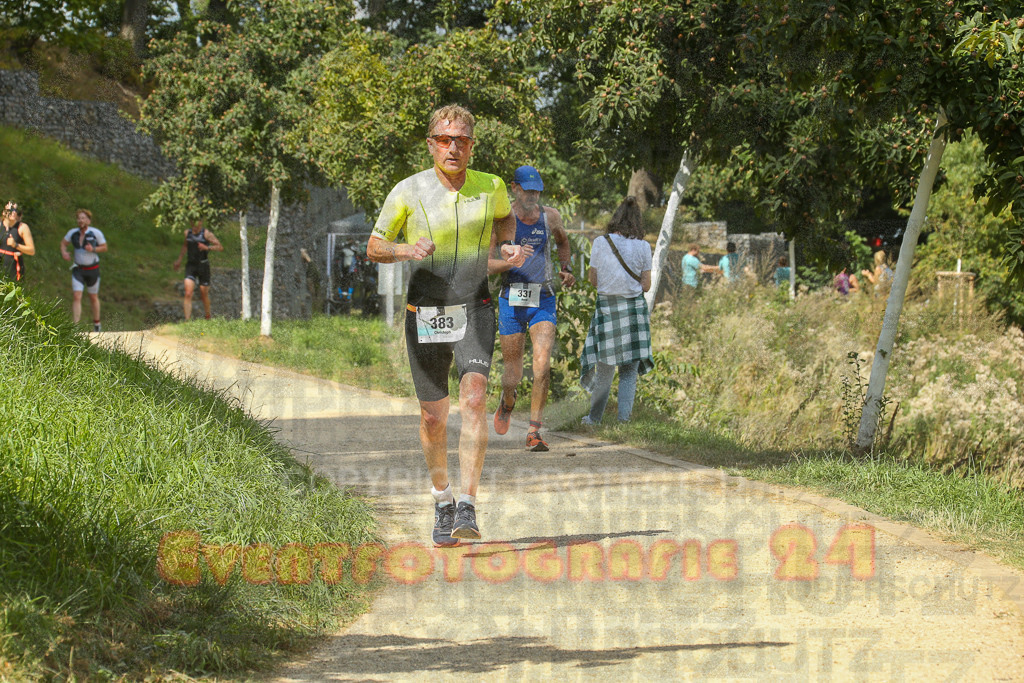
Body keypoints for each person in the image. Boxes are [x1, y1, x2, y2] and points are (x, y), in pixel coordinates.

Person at [366, 104, 526, 547]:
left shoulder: (491, 186)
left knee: (474, 397)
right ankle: (442, 501)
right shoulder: (407, 190)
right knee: (433, 417)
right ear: (431, 143)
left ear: (472, 145)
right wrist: (405, 251)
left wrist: (509, 244)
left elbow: (505, 218)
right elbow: (374, 246)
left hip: (474, 306)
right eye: (444, 139)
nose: (453, 147)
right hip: (426, 311)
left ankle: (468, 505)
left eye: (462, 140)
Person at [492, 165, 575, 452]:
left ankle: (534, 432)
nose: (533, 196)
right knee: (512, 373)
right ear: (514, 188)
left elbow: (563, 241)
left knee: (541, 367)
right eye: (528, 190)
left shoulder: (550, 216)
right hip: (511, 298)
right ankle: (508, 401)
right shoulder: (504, 219)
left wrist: (565, 268)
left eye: (537, 191)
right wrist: (510, 261)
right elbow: (489, 261)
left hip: (543, 298)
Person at [579, 196, 654, 425]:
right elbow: (646, 285)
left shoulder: (601, 243)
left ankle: (594, 419)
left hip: (608, 309)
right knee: (629, 372)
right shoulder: (643, 247)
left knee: (605, 369)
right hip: (633, 311)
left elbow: (593, 278)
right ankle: (624, 422)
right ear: (637, 222)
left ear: (615, 219)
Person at [61, 209, 107, 331]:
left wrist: (93, 249)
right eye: (79, 218)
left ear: (88, 220)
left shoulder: (95, 233)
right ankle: (75, 326)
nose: (80, 220)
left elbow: (104, 247)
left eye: (83, 218)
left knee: (93, 297)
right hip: (78, 270)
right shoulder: (72, 233)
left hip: (92, 269)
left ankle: (97, 323)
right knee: (77, 296)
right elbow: (63, 243)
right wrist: (64, 253)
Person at [173, 218, 223, 320]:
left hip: (203, 266)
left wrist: (207, 248)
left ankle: (208, 316)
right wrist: (179, 260)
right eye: (193, 223)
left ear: (201, 223)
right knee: (188, 293)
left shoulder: (207, 234)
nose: (195, 225)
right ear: (191, 223)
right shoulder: (187, 233)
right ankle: (187, 320)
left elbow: (220, 247)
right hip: (191, 265)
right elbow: (185, 246)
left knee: (203, 294)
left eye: (198, 223)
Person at [1, 201, 35, 282]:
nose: (13, 212)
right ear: (3, 212)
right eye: (11, 209)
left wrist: (15, 245)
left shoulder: (22, 227)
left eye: (15, 210)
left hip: (13, 267)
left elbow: (31, 250)